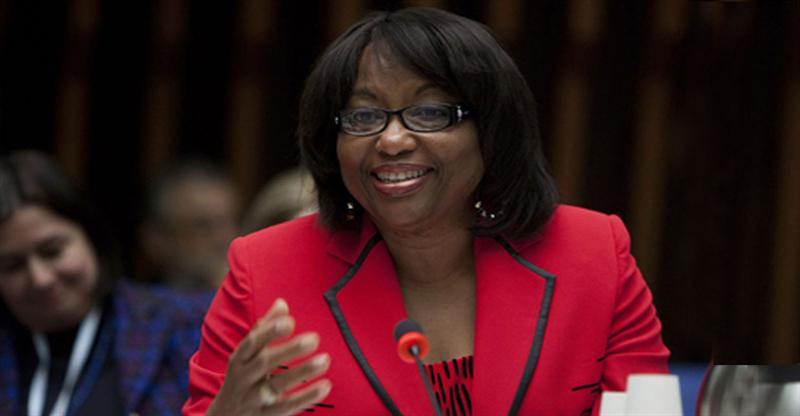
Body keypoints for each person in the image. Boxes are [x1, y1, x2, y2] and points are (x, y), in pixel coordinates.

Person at [184, 7, 669, 416]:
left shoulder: (594, 254)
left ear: (492, 129)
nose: (392, 140)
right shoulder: (264, 271)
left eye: (431, 112)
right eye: (364, 116)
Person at [0, 150, 211, 415]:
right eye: (12, 265)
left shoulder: (184, 325)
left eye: (53, 251)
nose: (40, 279)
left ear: (90, 235)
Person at [139, 158, 241, 289]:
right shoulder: (128, 305)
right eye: (203, 225)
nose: (225, 237)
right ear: (157, 239)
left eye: (232, 221)